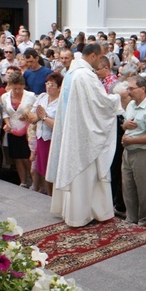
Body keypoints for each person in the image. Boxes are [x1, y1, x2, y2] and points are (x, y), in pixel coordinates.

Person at [48, 44, 122, 226]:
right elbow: (100, 103)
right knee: (84, 173)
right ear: (93, 55)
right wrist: (117, 98)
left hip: (73, 129)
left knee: (77, 173)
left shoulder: (71, 74)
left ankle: (72, 211)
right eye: (100, 57)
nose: (101, 61)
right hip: (83, 135)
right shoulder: (85, 75)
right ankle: (81, 214)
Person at [121, 75, 146, 227]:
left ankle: (145, 221)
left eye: (131, 88)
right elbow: (127, 125)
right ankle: (131, 219)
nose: (128, 91)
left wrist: (131, 140)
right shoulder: (131, 105)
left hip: (142, 153)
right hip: (128, 152)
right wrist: (124, 127)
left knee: (144, 189)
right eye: (128, 88)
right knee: (128, 187)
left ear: (142, 89)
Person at [28, 72, 62, 195]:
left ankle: (53, 195)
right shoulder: (42, 96)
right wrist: (39, 116)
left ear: (59, 87)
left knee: (51, 169)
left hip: (52, 139)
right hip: (40, 137)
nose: (48, 87)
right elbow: (31, 116)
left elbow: (58, 125)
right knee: (42, 168)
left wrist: (44, 118)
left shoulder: (61, 102)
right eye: (47, 84)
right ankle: (46, 192)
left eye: (52, 85)